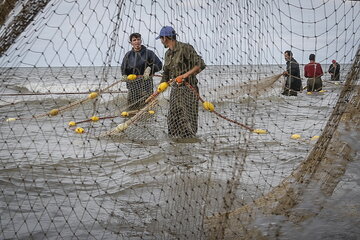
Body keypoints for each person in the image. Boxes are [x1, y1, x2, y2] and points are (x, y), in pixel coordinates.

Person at [156, 26, 206, 138]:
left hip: (190, 90)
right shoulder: (167, 54)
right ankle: (176, 147)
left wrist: (184, 76)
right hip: (176, 91)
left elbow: (200, 64)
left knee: (187, 120)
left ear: (165, 38)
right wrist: (158, 90)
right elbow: (166, 74)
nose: (161, 41)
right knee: (173, 120)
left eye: (161, 38)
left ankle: (190, 144)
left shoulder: (185, 48)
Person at [121, 33, 162, 111]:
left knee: (147, 109)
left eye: (138, 39)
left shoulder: (149, 53)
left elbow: (159, 65)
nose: (137, 42)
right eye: (134, 40)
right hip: (132, 86)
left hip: (146, 85)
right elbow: (123, 67)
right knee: (131, 109)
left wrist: (150, 69)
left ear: (141, 40)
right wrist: (124, 75)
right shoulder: (128, 55)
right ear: (131, 43)